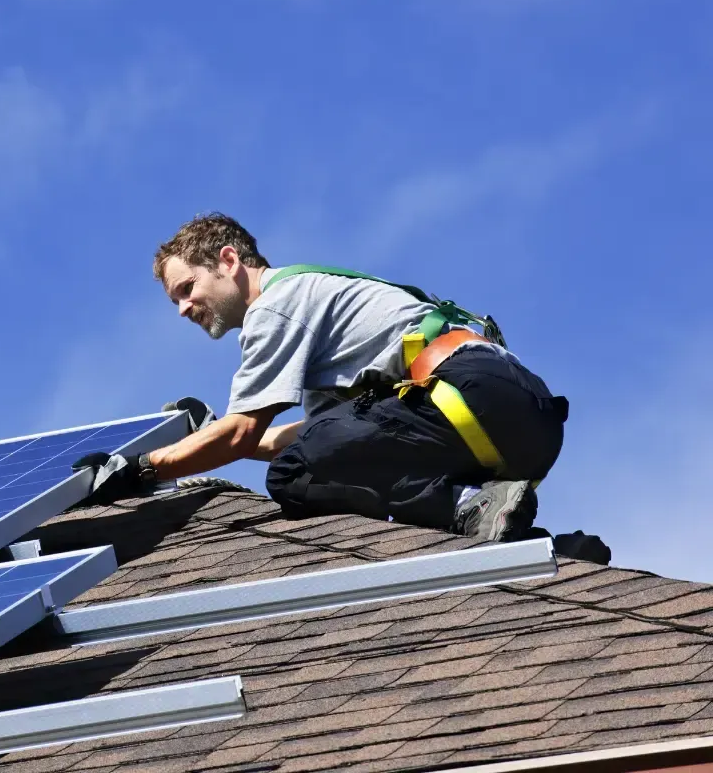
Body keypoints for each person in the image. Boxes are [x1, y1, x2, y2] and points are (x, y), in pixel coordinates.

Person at [74, 212, 596, 551]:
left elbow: (244, 436)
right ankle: (543, 551)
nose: (184, 308)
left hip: (469, 399)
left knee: (289, 479)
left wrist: (141, 470)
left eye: (187, 289)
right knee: (314, 456)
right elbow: (314, 438)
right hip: (523, 421)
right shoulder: (320, 309)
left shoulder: (277, 307)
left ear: (228, 261)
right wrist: (207, 434)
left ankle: (469, 506)